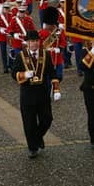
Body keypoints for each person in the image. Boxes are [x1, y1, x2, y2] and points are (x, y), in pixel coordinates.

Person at [11, 30, 61, 158]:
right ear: (27, 42)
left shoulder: (45, 55)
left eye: (36, 41)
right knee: (29, 123)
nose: (34, 43)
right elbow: (13, 74)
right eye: (32, 41)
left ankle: (38, 137)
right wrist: (24, 75)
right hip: (27, 94)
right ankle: (32, 148)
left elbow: (52, 73)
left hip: (42, 93)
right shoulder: (21, 56)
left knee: (47, 119)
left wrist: (56, 89)